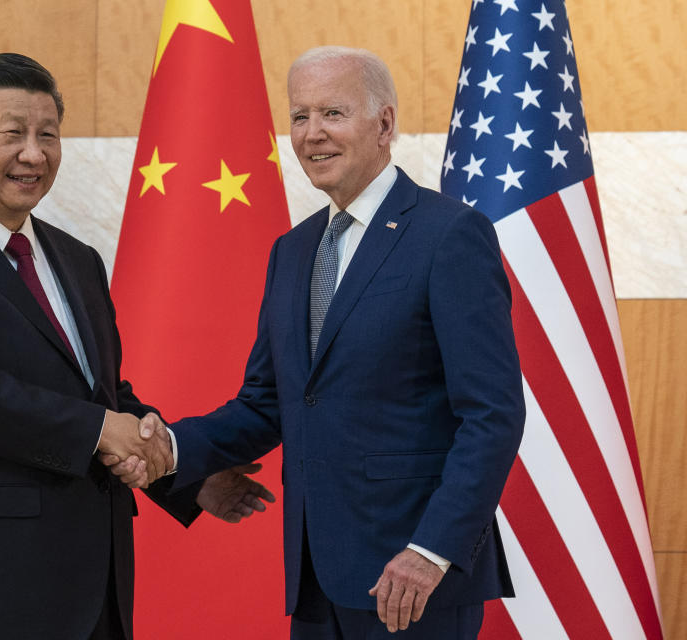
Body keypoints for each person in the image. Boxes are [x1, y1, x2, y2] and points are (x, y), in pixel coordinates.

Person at [106, 46, 526, 638]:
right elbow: (268, 403)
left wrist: (432, 551)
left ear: (384, 124)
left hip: (412, 580)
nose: (311, 134)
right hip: (313, 577)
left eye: (332, 113)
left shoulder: (450, 235)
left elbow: (493, 413)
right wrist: (169, 448)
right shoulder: (293, 250)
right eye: (299, 116)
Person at [0, 52, 273, 640]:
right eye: (13, 134)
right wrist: (103, 430)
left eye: (48, 135)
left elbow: (105, 396)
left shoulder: (77, 260)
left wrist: (184, 473)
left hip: (95, 582)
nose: (34, 154)